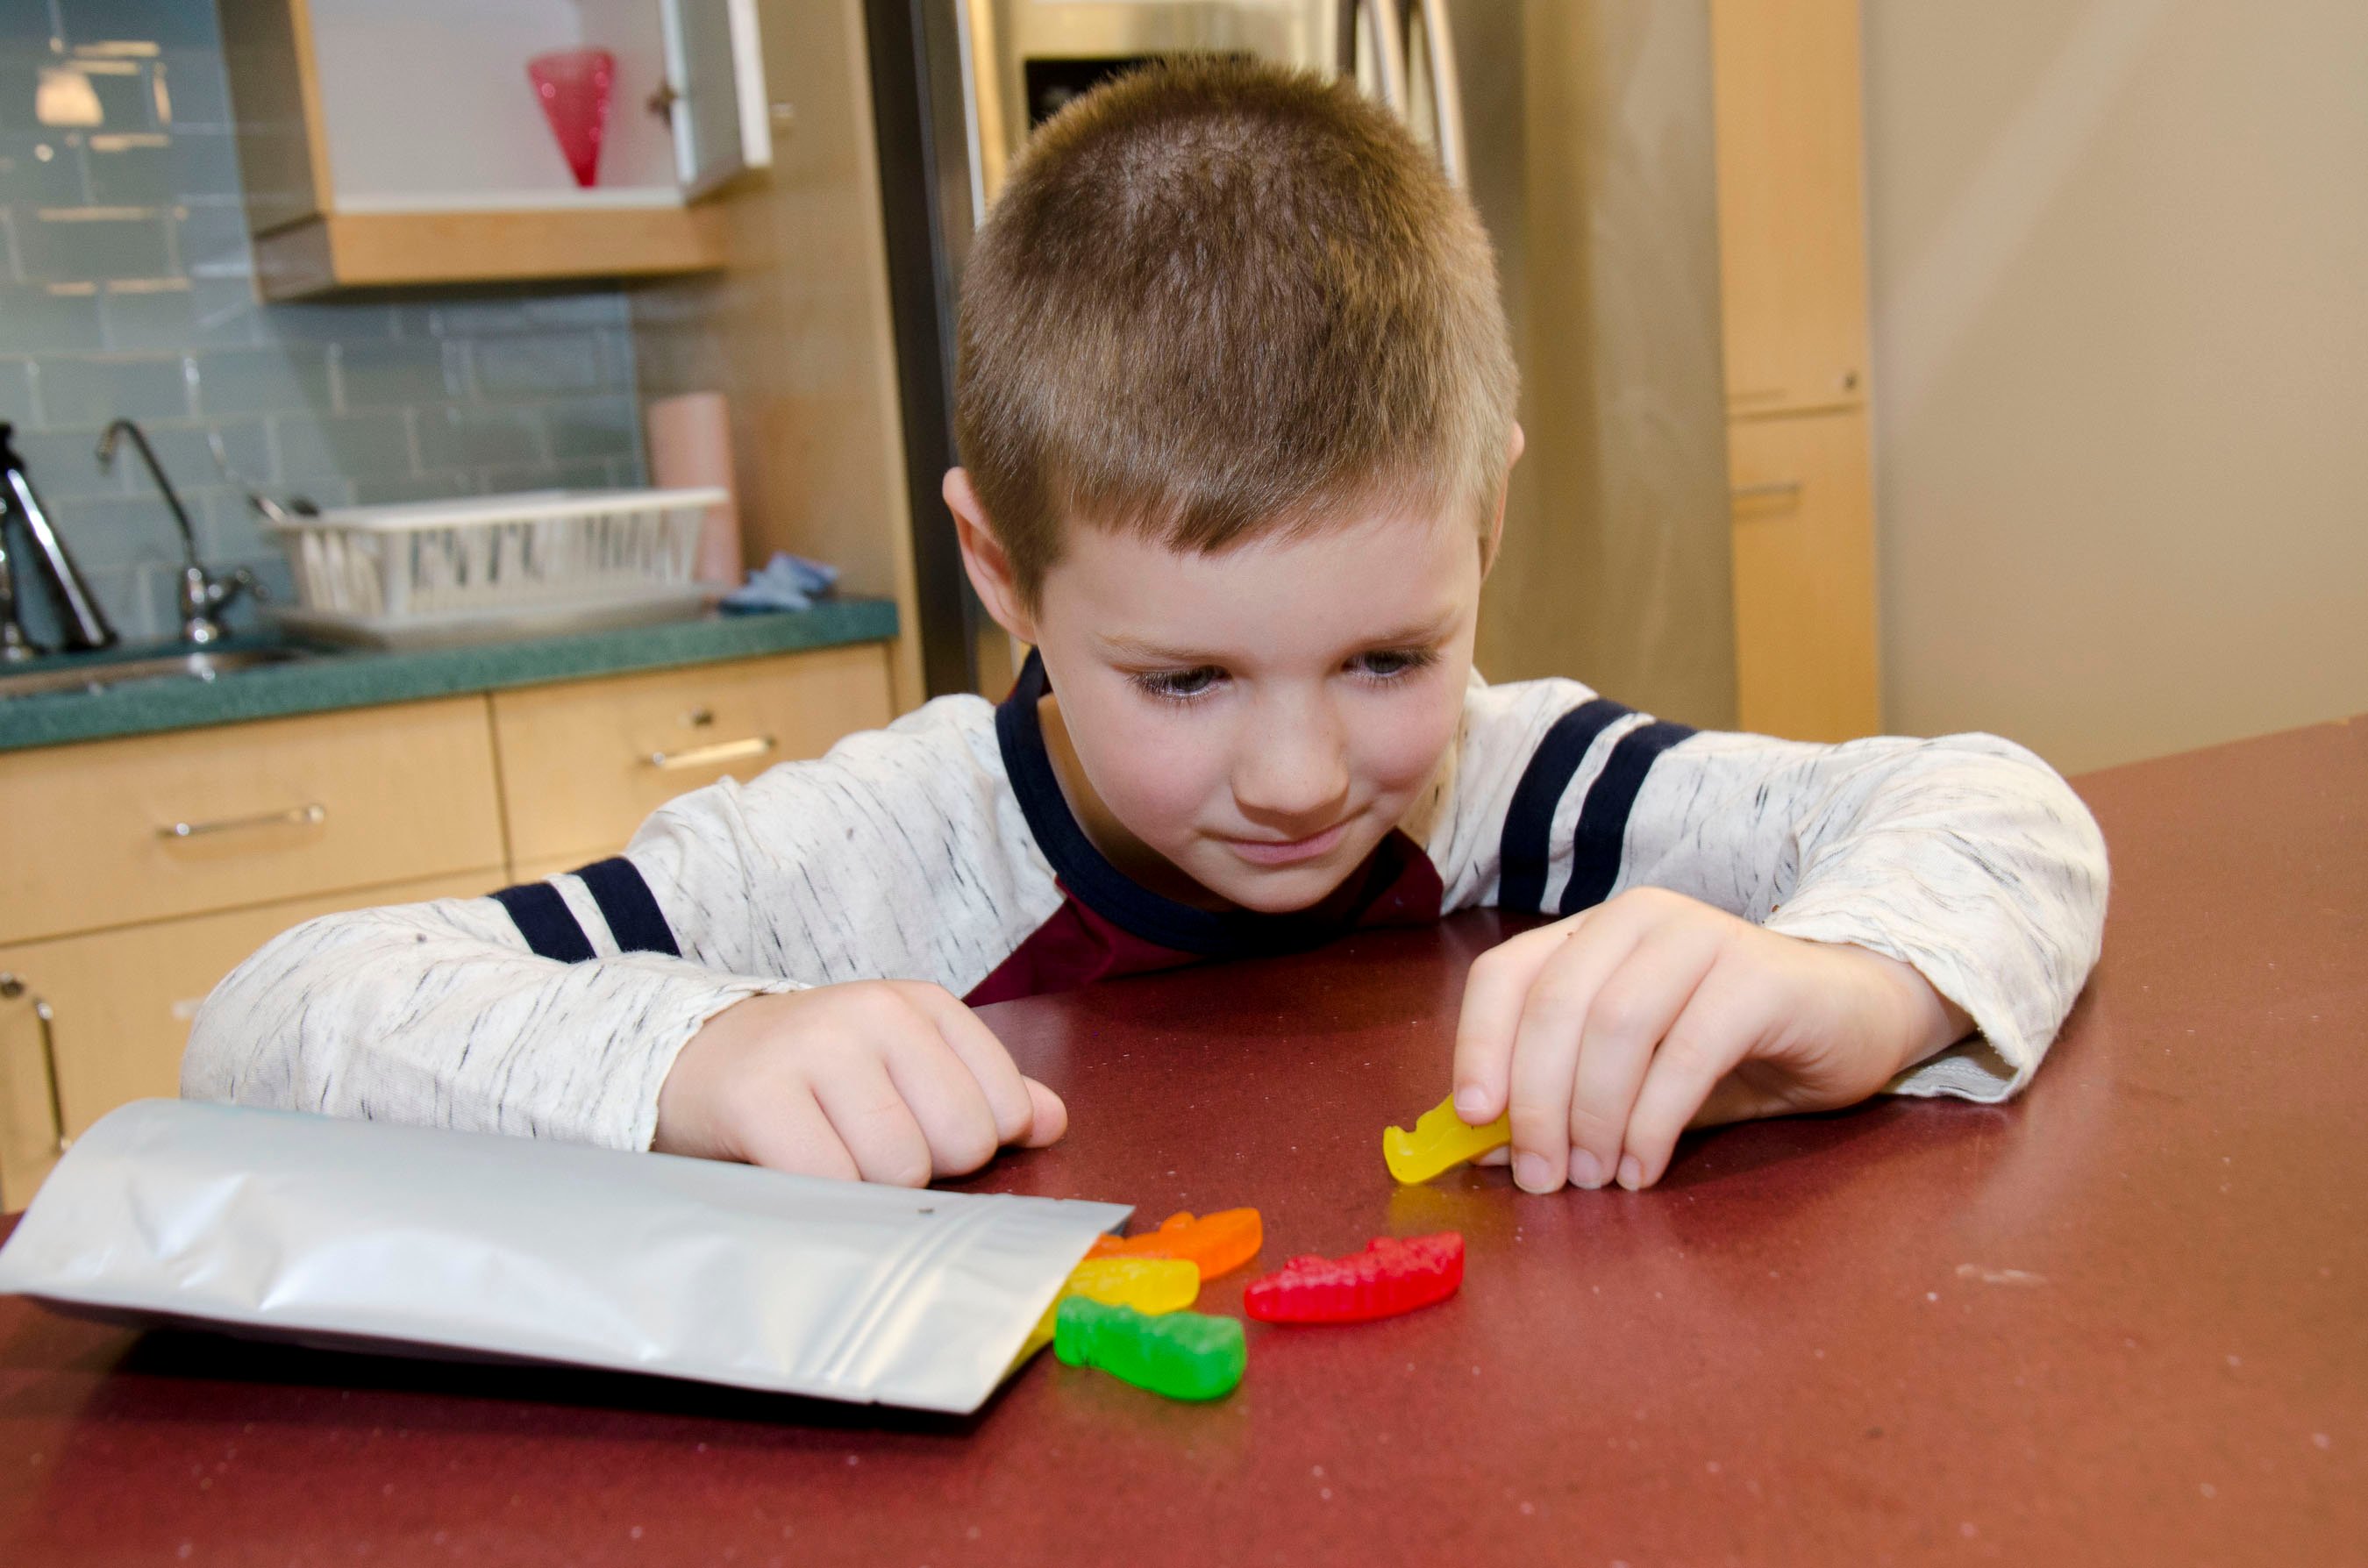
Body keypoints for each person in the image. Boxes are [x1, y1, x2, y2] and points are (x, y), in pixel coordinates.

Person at [185, 60, 2107, 1197]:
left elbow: (2003, 813)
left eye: (1387, 657)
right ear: (1002, 576)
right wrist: (702, 1058)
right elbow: (271, 1018)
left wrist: (1857, 1001)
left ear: (1493, 519)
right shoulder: (866, 862)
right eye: (1184, 678)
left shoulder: (1512, 785)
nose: (1299, 776)